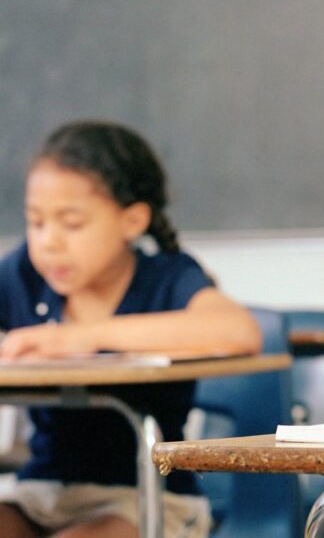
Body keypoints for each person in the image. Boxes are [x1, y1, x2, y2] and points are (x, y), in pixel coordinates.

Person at [0, 120, 263, 538]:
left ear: (132, 221)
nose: (49, 242)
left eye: (71, 224)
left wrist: (80, 337)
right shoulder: (23, 274)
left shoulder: (166, 278)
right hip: (40, 494)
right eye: (36, 222)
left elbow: (239, 330)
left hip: (148, 497)